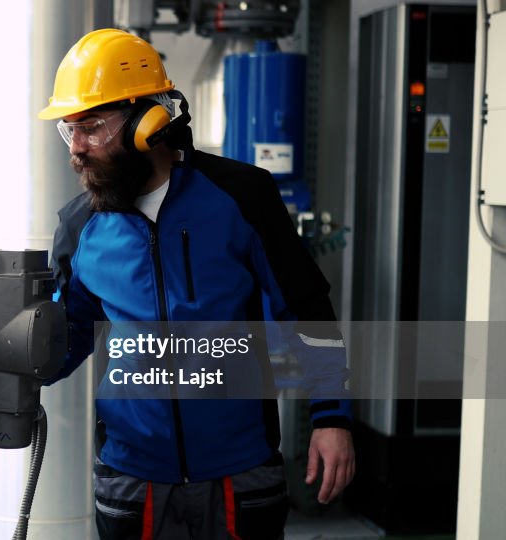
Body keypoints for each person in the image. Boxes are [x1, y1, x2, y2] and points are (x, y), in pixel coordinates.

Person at [38, 29, 355, 539]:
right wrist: (7, 350)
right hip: (131, 482)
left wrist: (331, 416)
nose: (76, 147)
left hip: (240, 471)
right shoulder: (80, 227)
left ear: (148, 122)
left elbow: (305, 307)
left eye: (91, 126)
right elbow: (65, 340)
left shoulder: (242, 197)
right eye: (68, 130)